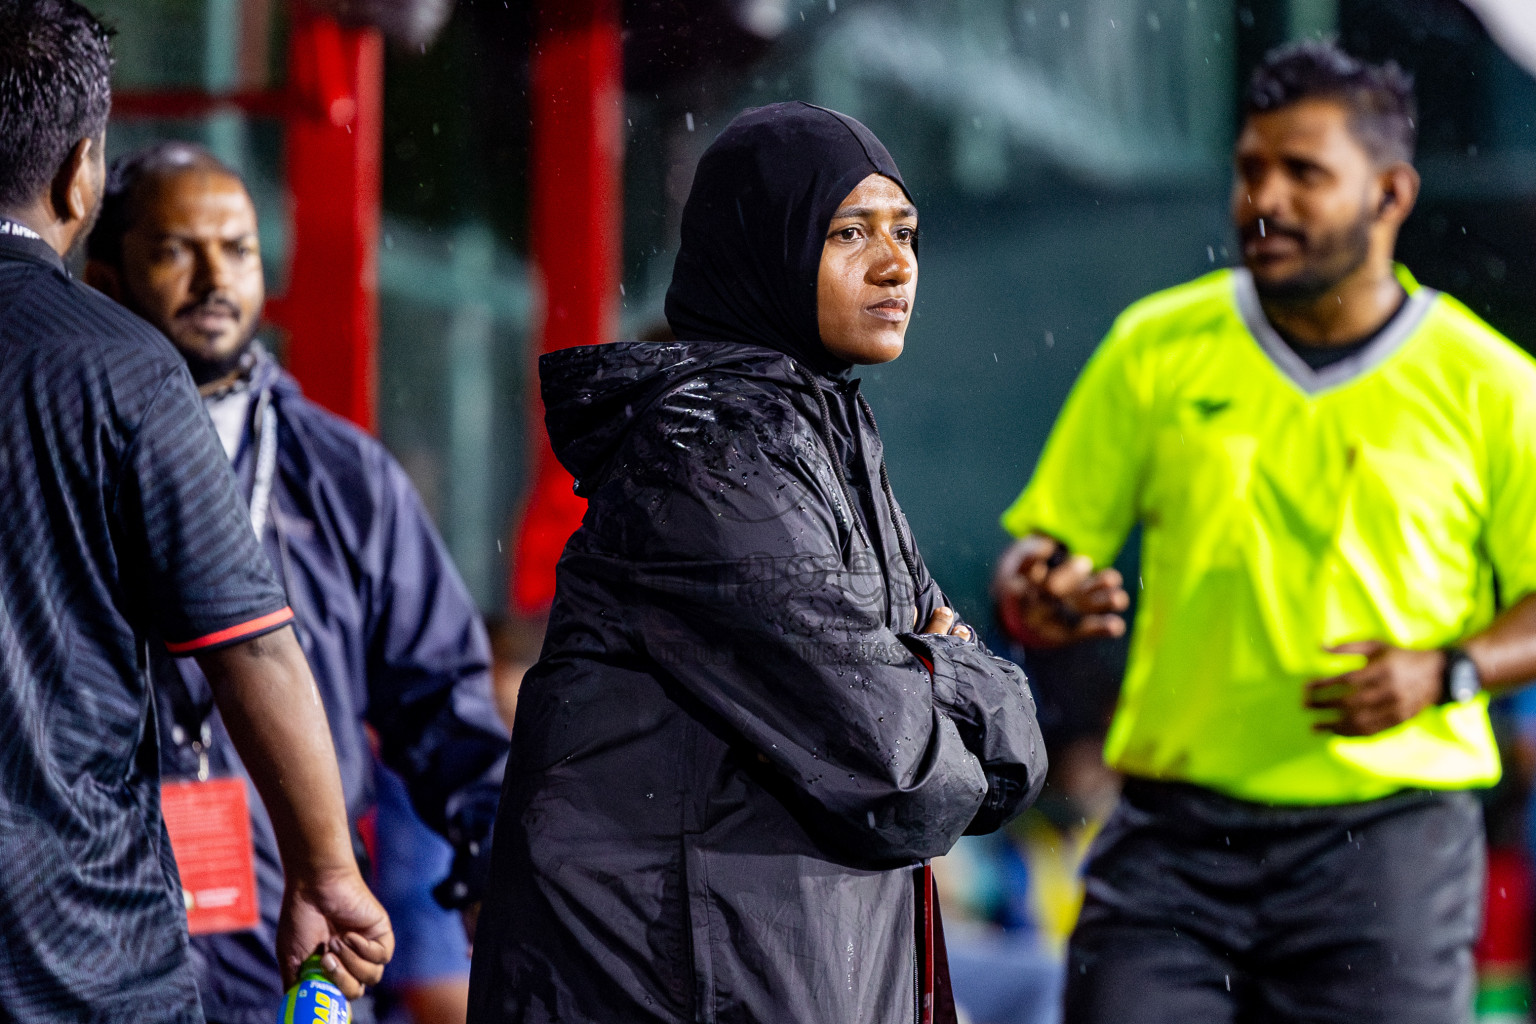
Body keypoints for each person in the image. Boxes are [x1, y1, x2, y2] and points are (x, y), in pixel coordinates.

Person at [468, 101, 1046, 1024]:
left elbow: (995, 766)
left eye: (906, 233)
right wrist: (956, 670)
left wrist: (929, 678)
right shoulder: (714, 452)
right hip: (679, 989)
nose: (896, 266)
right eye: (849, 233)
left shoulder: (822, 432)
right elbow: (899, 770)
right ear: (765, 247)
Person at [995, 41, 1536, 1024]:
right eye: (1251, 168)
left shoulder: (1490, 384)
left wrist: (1448, 669)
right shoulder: (1153, 347)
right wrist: (1039, 595)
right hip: (1171, 839)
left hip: (1391, 846)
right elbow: (1038, 561)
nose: (1266, 198)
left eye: (1305, 173)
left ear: (1391, 194)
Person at [0, 1, 392, 1020]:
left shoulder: (335, 466)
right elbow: (251, 646)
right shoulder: (121, 367)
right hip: (75, 957)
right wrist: (325, 871)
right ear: (80, 173)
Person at [83, 142, 508, 1024]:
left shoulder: (346, 476)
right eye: (175, 249)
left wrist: (498, 857)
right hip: (93, 927)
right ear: (106, 276)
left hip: (295, 932)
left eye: (237, 249)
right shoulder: (68, 449)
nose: (214, 277)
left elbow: (443, 702)